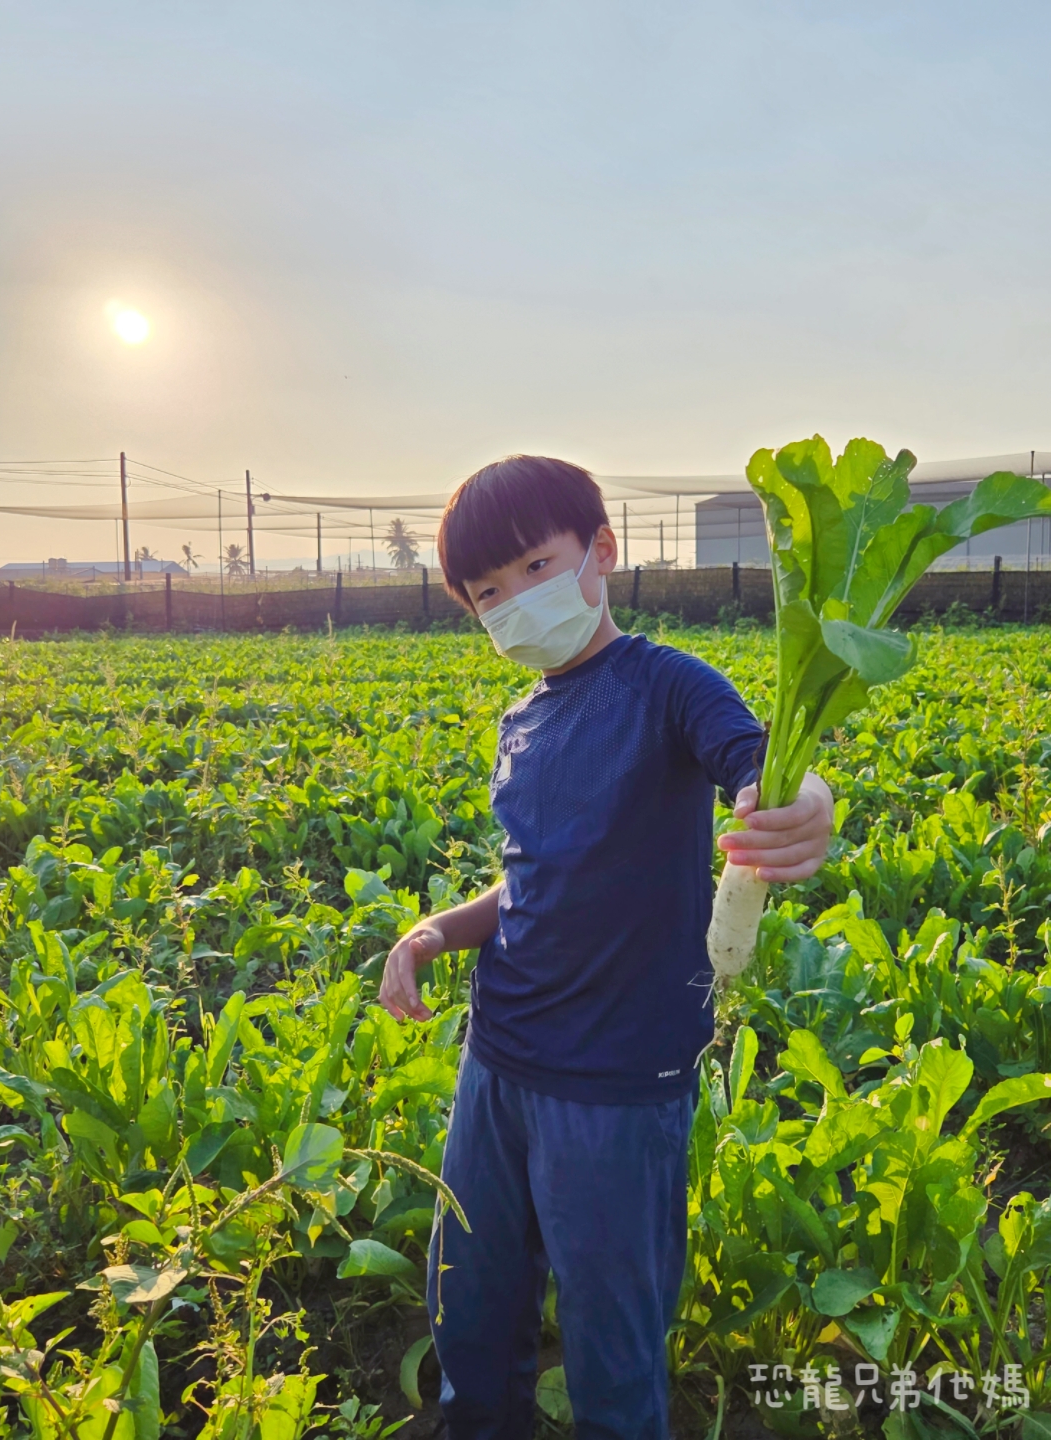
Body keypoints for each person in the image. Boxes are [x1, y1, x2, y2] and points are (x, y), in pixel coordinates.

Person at [379, 456, 833, 1440]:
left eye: (537, 566)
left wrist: (802, 804)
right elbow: (527, 880)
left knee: (611, 1347)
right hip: (495, 1061)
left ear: (602, 555)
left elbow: (762, 768)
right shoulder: (523, 719)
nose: (517, 603)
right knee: (470, 1304)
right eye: (488, 593)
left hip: (616, 1087)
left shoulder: (666, 685)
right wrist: (430, 934)